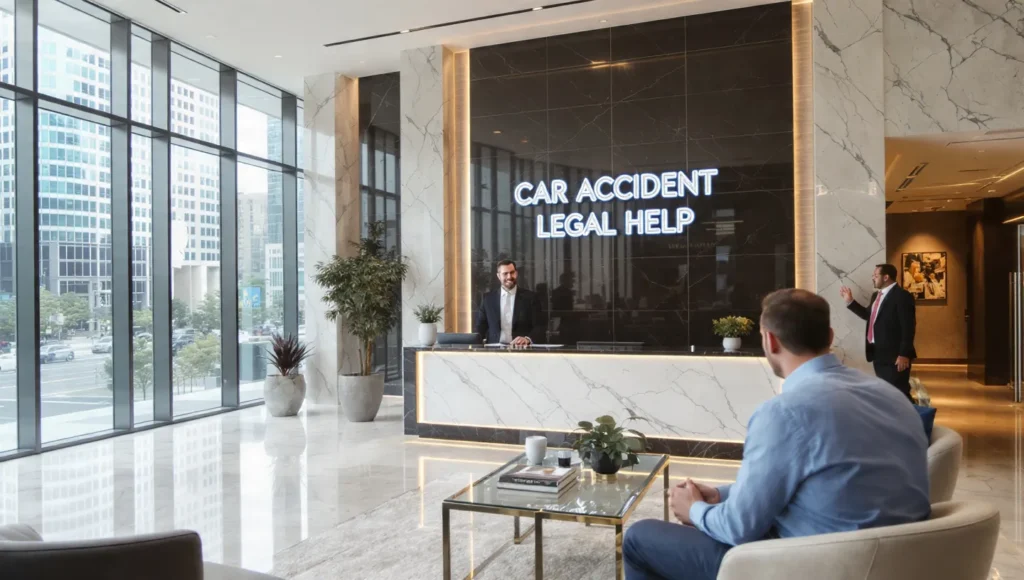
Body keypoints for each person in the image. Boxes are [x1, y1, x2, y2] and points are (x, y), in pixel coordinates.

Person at [623, 288, 930, 580]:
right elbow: (823, 480)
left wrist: (695, 510)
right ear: (830, 337)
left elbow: (738, 529)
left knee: (639, 538)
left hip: (803, 566)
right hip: (896, 564)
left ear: (770, 341)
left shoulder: (785, 413)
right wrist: (721, 495)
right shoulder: (892, 397)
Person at [840, 263, 917, 400]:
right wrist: (850, 301)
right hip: (878, 353)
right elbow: (868, 316)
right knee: (886, 393)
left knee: (899, 394)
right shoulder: (876, 295)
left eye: (876, 275)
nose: (873, 278)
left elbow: (908, 327)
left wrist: (904, 354)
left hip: (895, 356)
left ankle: (909, 420)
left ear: (886, 277)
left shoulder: (902, 296)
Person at [474, 260, 545, 347]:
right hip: (494, 350)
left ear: (516, 273)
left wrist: (527, 339)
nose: (509, 276)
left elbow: (540, 326)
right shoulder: (488, 299)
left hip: (522, 350)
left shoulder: (531, 298)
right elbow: (480, 327)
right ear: (498, 276)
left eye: (512, 273)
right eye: (505, 273)